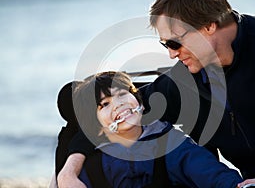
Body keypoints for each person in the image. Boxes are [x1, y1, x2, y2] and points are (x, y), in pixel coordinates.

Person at [56, 0, 255, 187]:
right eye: (165, 45)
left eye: (175, 42)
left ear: (209, 25)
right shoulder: (184, 81)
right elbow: (97, 109)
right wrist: (69, 170)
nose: (172, 54)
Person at [62, 71, 243, 188]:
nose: (119, 104)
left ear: (138, 99)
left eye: (122, 94)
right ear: (95, 123)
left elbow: (211, 174)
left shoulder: (171, 144)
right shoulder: (93, 161)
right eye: (105, 104)